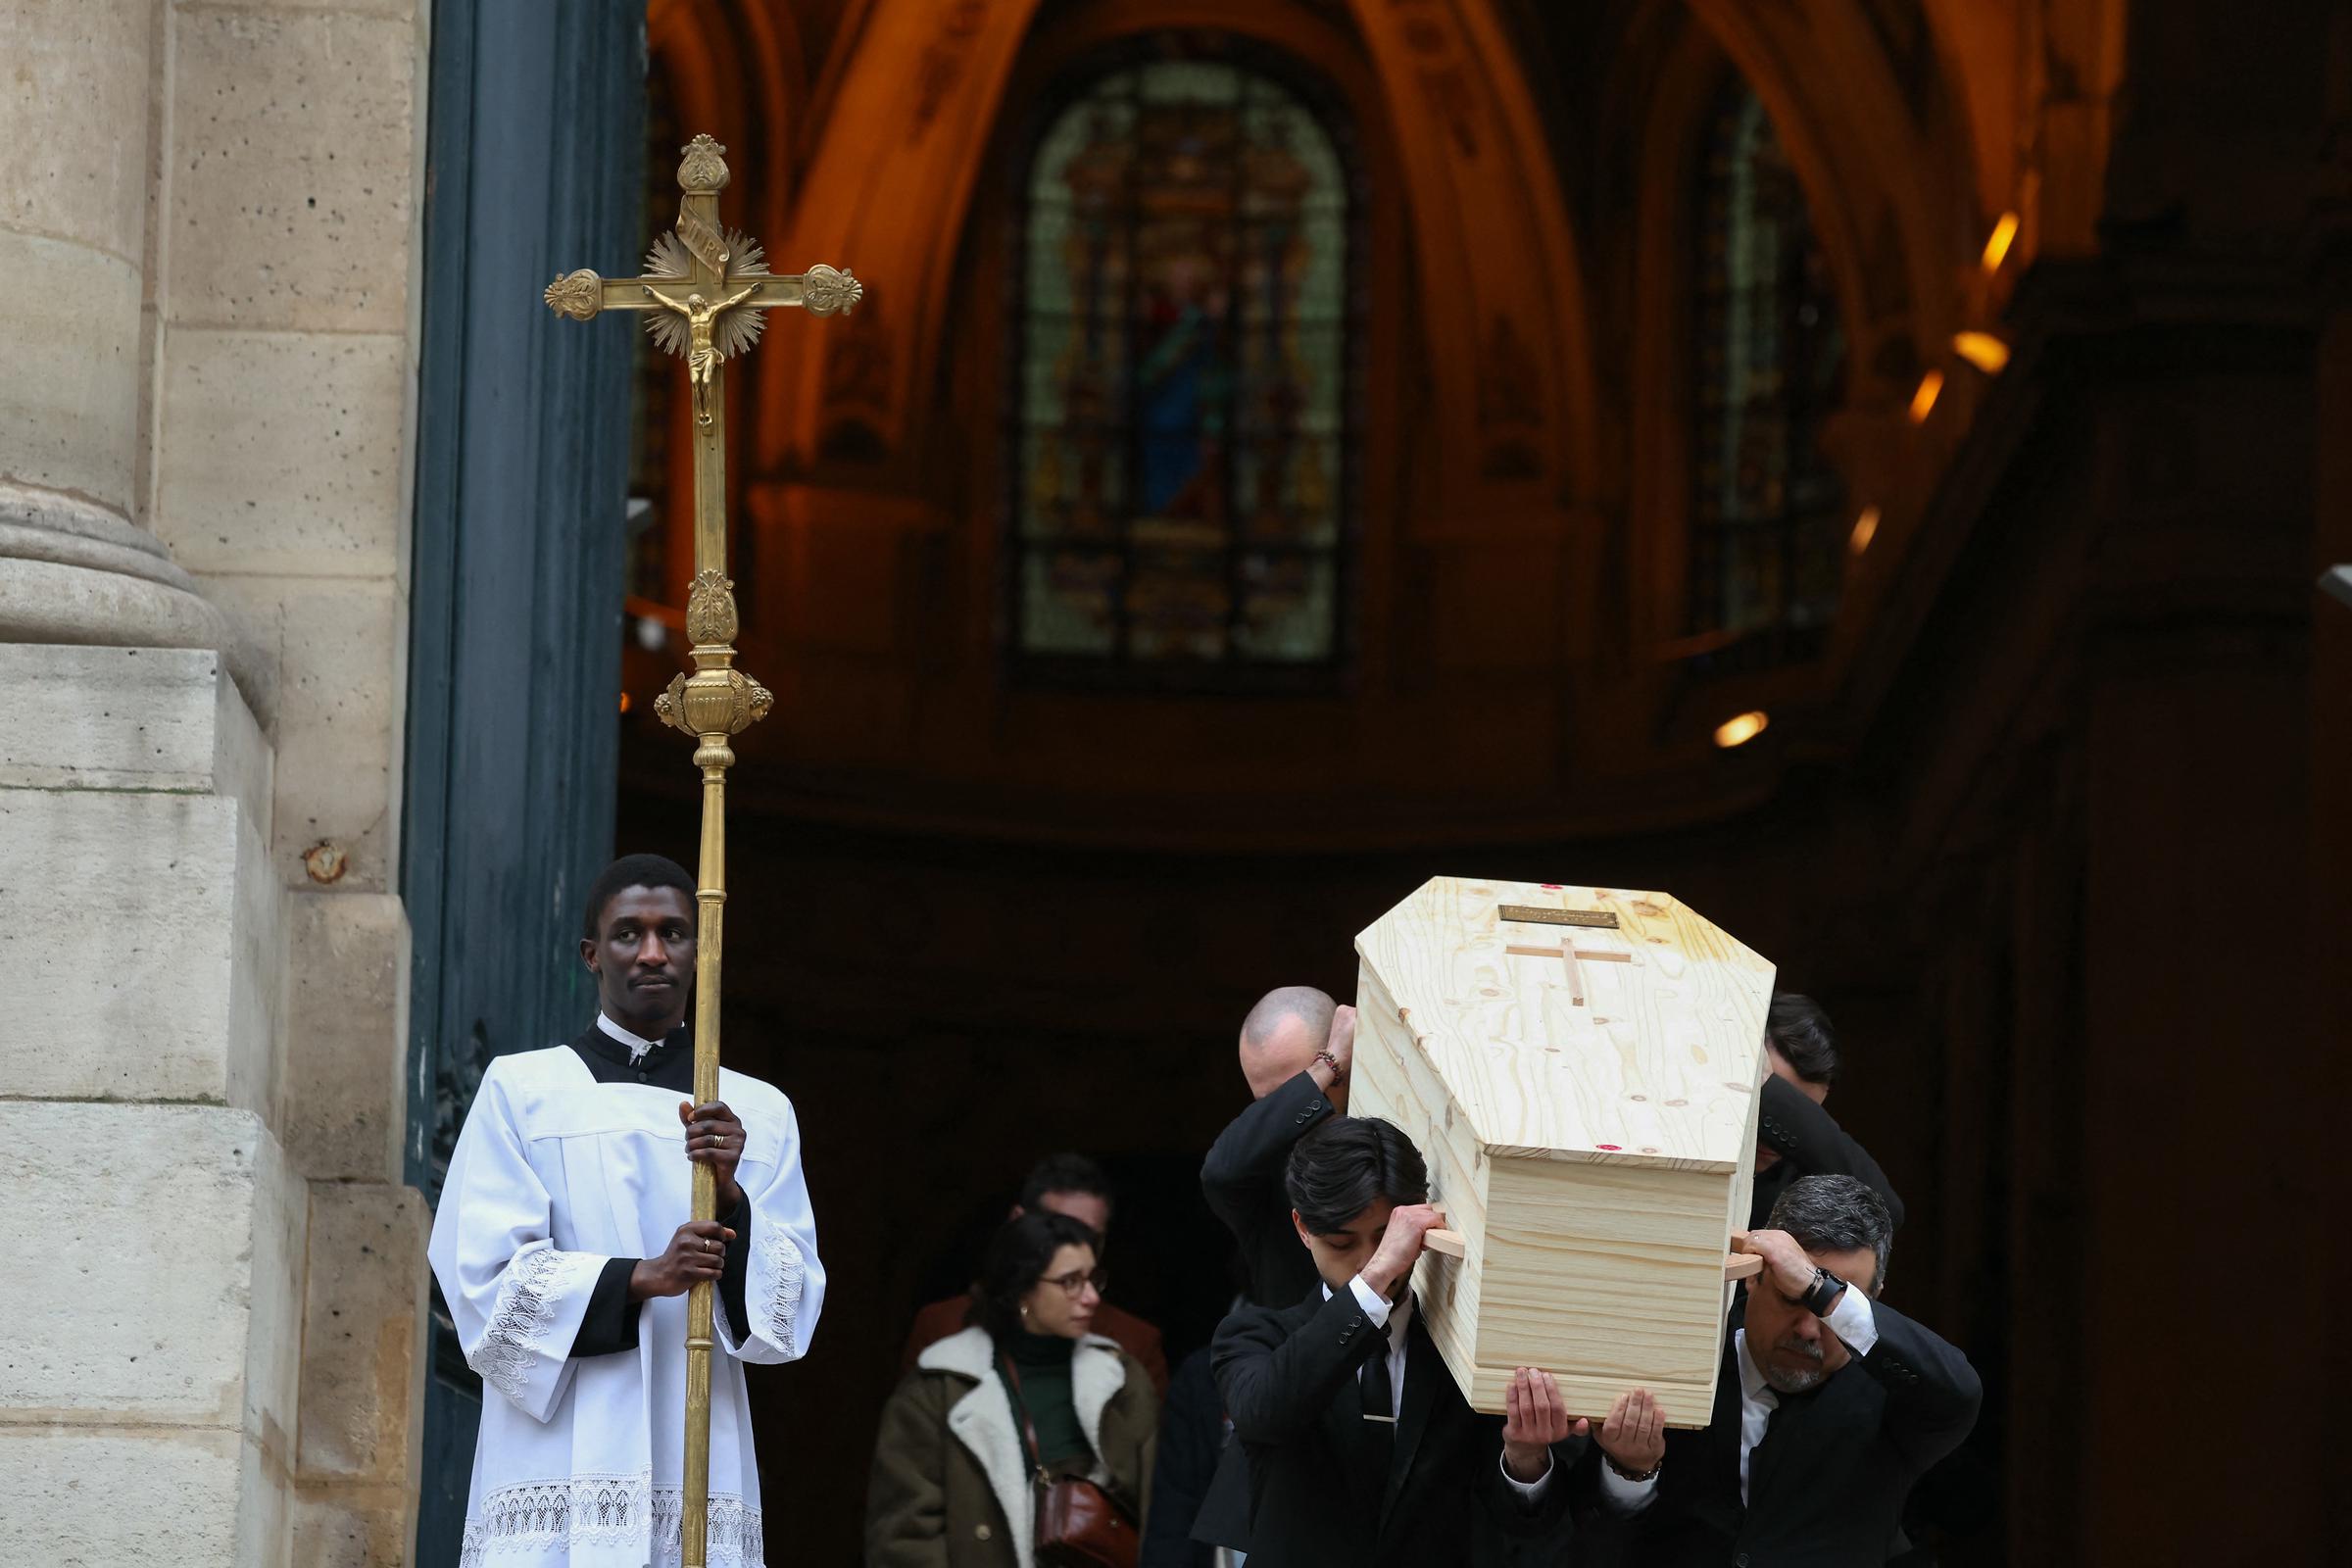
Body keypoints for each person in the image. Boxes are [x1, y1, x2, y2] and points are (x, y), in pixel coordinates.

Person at [426, 854, 825, 1566]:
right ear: (591, 954)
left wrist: (731, 1198)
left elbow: (790, 1315)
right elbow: (479, 1279)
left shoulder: (758, 1112)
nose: (651, 952)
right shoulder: (522, 1091)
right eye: (628, 934)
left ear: (700, 951)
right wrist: (640, 1276)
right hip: (554, 1449)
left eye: (673, 932)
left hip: (696, 1439)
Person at [1211, 1116, 1620, 1567]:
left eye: (1385, 1238)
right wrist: (1375, 1279)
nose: (1369, 1258)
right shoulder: (1255, 1335)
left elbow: (1524, 1522)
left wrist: (1524, 1458)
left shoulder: (1460, 1351)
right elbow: (1266, 1413)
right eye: (1342, 1243)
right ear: (1302, 1228)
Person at [1600, 1174, 1982, 1564]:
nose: (1808, 1328)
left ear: (1870, 1301)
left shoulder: (1891, 1392)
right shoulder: (1682, 1351)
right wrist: (1630, 1472)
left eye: (1830, 1307)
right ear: (1752, 1276)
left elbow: (1961, 1395)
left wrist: (1818, 1287)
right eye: (1791, 1297)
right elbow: (1598, 1533)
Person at [867, 1210, 1159, 1567]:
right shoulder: (938, 1390)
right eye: (1070, 1282)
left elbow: (1162, 1511)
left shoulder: (1121, 1380)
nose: (1091, 1298)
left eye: (1093, 1280)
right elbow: (904, 1539)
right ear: (1023, 1291)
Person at [903, 1152, 1169, 1395]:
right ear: (1018, 1222)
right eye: (1057, 1230)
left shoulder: (1134, 1345)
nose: (1074, 1249)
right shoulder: (943, 1328)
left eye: (1090, 1238)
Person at [1201, 986, 1354, 1309]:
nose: (1289, 1113)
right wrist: (1327, 1066)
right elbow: (1218, 1172)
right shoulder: (1263, 1167)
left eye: (1295, 1089)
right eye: (1268, 1103)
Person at [1750, 995, 1906, 1232]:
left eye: (1798, 1111)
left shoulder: (1805, 1166)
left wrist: (1770, 1090)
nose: (1771, 1145)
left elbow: (1885, 1210)